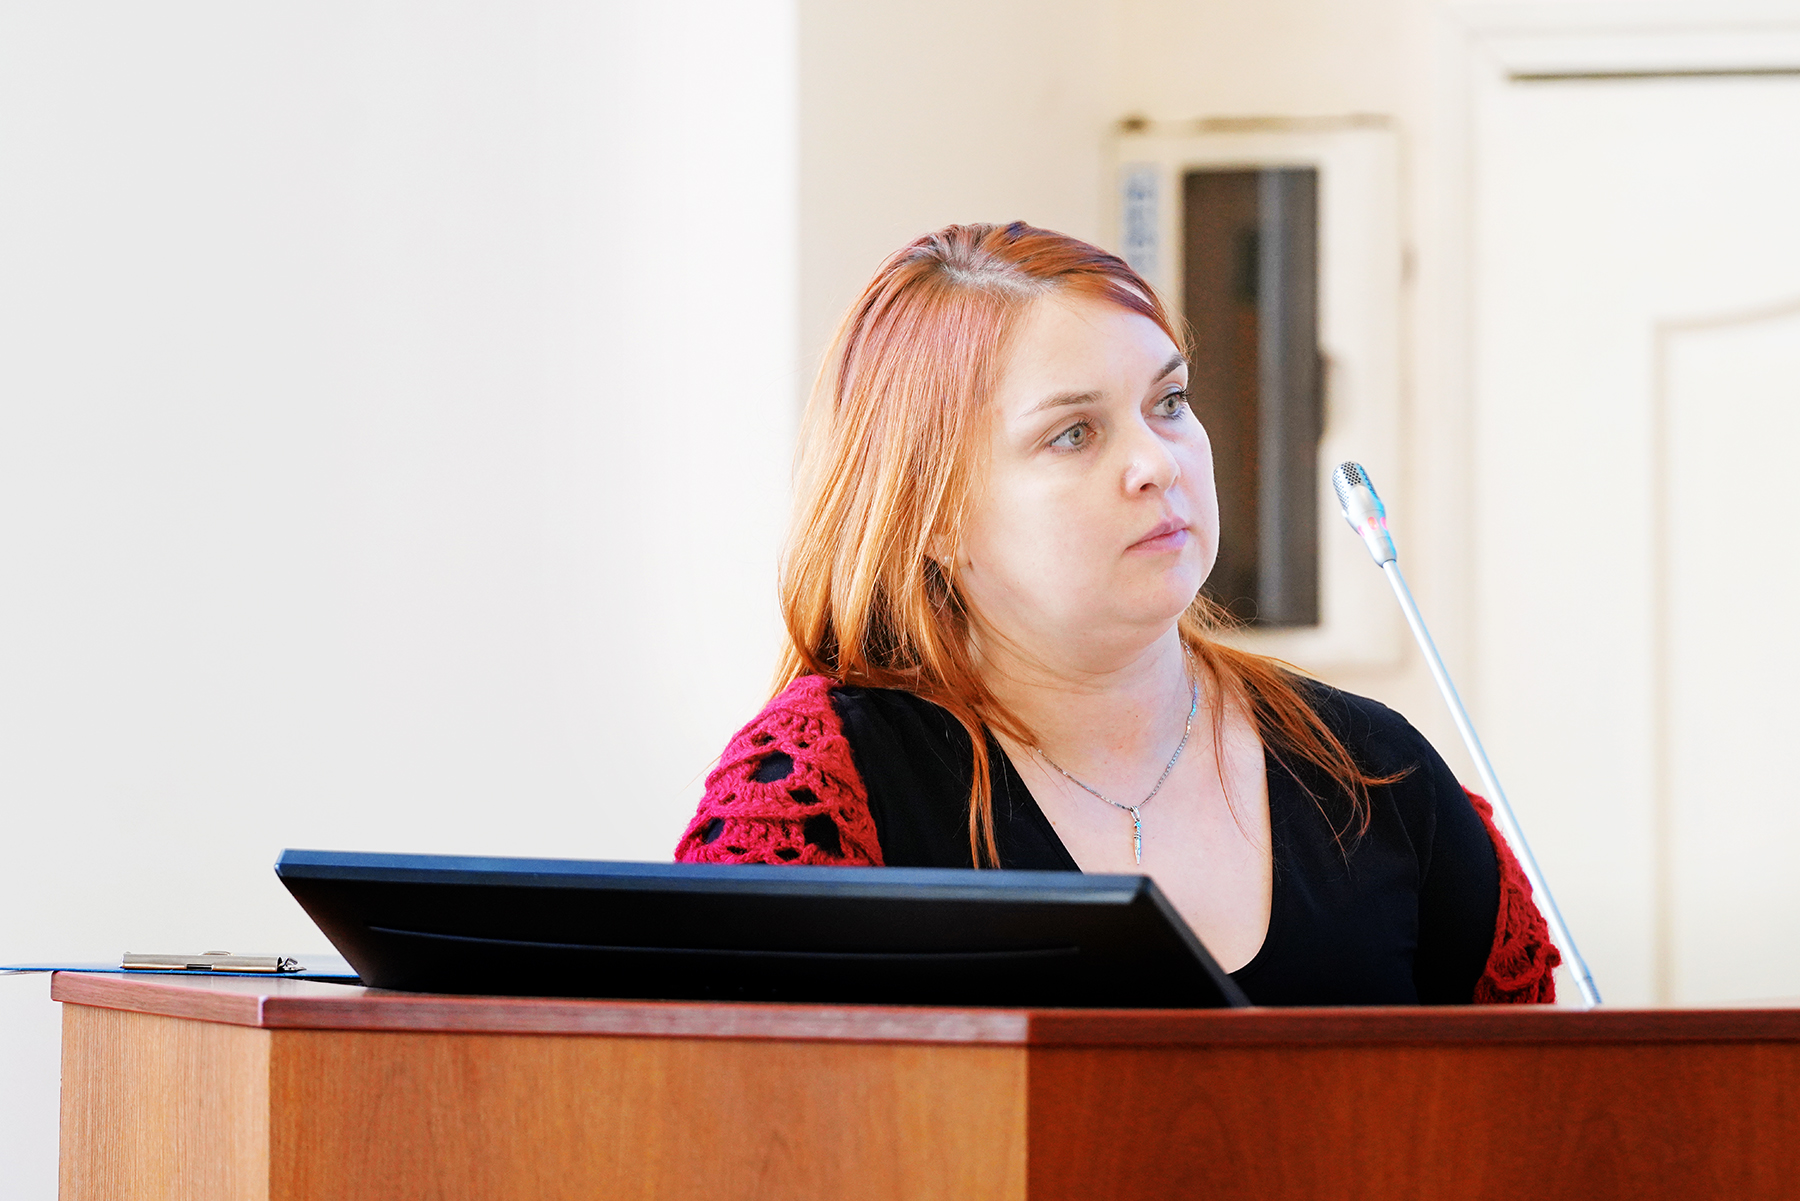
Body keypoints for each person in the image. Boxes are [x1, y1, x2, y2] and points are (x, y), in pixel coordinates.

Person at [675, 221, 1557, 1005]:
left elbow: (1543, 1110)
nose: (1158, 463)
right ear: (932, 512)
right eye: (1074, 433)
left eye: (1168, 403)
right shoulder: (821, 790)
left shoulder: (1377, 773)